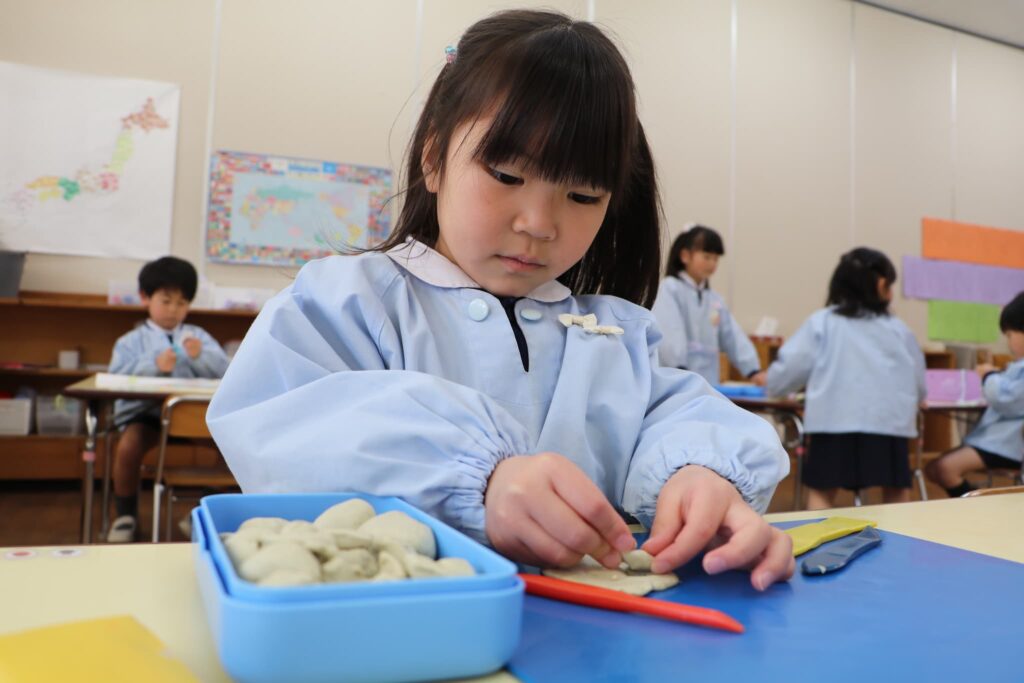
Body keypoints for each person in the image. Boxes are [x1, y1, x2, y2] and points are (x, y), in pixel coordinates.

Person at [208, 9, 793, 588]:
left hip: (592, 633)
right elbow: (277, 425)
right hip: (406, 622)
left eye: (583, 196)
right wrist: (477, 476)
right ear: (434, 158)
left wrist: (697, 477)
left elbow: (676, 416)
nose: (539, 223)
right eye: (507, 176)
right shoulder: (349, 302)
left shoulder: (613, 336)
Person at [766, 247, 926, 509]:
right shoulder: (898, 329)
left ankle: (818, 531)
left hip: (833, 422)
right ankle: (901, 533)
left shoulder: (822, 322)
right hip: (888, 425)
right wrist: (920, 397)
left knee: (822, 489)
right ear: (881, 286)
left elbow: (790, 368)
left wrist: (774, 386)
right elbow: (917, 377)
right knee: (896, 490)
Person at [106, 256, 229, 542]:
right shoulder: (130, 341)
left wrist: (201, 356)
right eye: (166, 301)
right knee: (128, 447)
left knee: (229, 445)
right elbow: (115, 379)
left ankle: (203, 513)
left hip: (192, 417)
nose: (174, 309)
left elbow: (226, 372)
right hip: (146, 415)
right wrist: (153, 365)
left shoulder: (198, 337)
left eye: (182, 302)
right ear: (145, 297)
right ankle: (125, 516)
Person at [925, 291, 1024, 496]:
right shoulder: (1017, 366)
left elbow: (1007, 399)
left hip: (1008, 445)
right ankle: (976, 501)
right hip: (997, 441)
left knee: (944, 468)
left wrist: (989, 376)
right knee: (935, 468)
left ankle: (975, 503)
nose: (1008, 342)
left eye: (1009, 335)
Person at [651, 226, 766, 386]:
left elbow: (733, 336)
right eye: (707, 257)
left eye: (716, 259)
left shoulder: (714, 299)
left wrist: (753, 370)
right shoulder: (669, 289)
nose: (712, 263)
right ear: (685, 256)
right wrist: (679, 371)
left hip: (708, 383)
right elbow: (670, 333)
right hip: (677, 381)